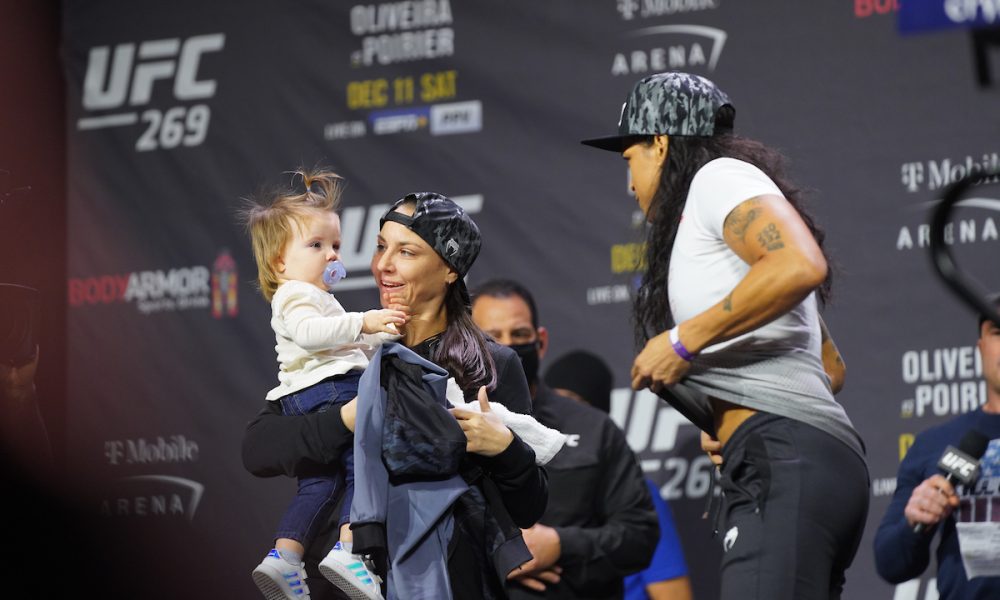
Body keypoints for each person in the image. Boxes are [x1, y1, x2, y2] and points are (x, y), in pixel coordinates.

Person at [581, 71, 868, 599]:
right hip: (795, 458)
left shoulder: (715, 177)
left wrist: (683, 342)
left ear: (660, 143)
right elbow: (830, 368)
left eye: (630, 160)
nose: (629, 183)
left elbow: (801, 263)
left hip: (784, 460)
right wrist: (731, 417)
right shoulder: (715, 225)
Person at [242, 192, 548, 600]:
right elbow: (258, 448)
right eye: (381, 247)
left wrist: (505, 447)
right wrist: (349, 419)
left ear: (449, 269)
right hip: (340, 583)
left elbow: (530, 507)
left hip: (448, 582)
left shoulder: (491, 363)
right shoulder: (351, 348)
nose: (383, 265)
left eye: (406, 251)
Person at [240, 169, 408, 600]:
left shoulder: (317, 296)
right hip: (328, 390)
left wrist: (377, 336)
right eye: (316, 246)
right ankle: (350, 550)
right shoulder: (295, 295)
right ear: (280, 261)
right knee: (365, 466)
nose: (331, 255)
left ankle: (285, 558)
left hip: (314, 392)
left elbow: (339, 340)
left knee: (321, 483)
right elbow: (316, 335)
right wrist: (365, 322)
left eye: (335, 245)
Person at [471, 279, 660, 600]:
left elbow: (639, 536)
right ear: (468, 345)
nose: (506, 349)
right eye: (491, 339)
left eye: (519, 335)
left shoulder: (594, 429)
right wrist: (498, 553)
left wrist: (560, 545)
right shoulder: (449, 425)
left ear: (540, 342)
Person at [873, 297, 1000, 599]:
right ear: (981, 347)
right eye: (998, 332)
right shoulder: (935, 443)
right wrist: (915, 522)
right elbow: (891, 562)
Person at [543, 350, 693, 600]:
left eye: (573, 403)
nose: (561, 417)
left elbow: (674, 595)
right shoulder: (522, 490)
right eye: (553, 404)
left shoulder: (639, 495)